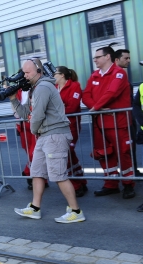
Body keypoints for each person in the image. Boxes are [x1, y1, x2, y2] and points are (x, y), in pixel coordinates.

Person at [10, 59, 84, 223]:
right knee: (37, 172)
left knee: (59, 175)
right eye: (24, 72)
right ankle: (35, 208)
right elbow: (25, 114)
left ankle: (76, 211)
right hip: (45, 136)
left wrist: (33, 130)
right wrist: (13, 99)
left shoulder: (43, 87)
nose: (25, 76)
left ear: (38, 70)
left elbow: (36, 116)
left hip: (54, 135)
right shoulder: (36, 89)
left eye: (28, 72)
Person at [82, 46, 135, 199]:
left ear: (107, 57)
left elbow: (112, 92)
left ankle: (128, 184)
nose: (95, 60)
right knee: (103, 154)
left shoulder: (118, 73)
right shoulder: (94, 76)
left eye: (97, 57)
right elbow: (86, 94)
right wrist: (96, 108)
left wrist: (95, 107)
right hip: (100, 122)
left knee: (123, 153)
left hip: (117, 121)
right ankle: (111, 184)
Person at [54, 66, 88, 197]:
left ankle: (76, 185)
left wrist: (55, 112)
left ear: (62, 75)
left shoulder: (75, 86)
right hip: (59, 126)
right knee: (69, 155)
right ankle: (81, 181)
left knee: (65, 156)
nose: (53, 76)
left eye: (55, 74)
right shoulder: (55, 89)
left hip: (70, 126)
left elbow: (72, 107)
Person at [114, 49, 141, 176]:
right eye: (126, 58)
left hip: (129, 116)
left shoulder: (123, 75)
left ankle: (133, 170)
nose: (129, 61)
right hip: (121, 118)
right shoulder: (115, 76)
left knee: (130, 146)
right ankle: (129, 172)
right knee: (124, 147)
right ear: (116, 59)